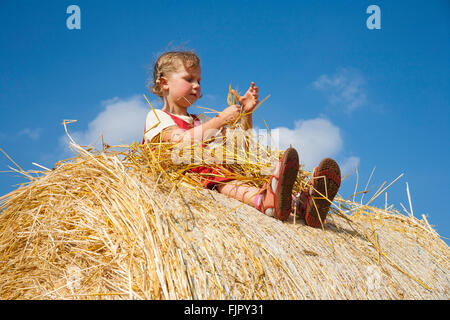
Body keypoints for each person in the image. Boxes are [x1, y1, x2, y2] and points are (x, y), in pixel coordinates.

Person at [143, 50, 341, 227]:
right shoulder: (158, 116)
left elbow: (239, 146)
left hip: (210, 169)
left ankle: (300, 203)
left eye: (199, 81)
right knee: (219, 177)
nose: (196, 86)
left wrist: (246, 114)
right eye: (189, 79)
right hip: (184, 175)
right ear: (164, 83)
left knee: (249, 168)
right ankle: (263, 201)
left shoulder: (200, 120)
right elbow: (179, 142)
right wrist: (219, 120)